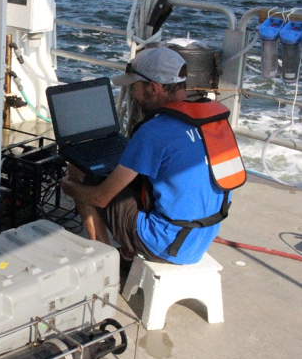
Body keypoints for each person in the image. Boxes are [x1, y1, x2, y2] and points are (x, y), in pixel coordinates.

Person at [62, 47, 244, 269]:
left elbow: (101, 198)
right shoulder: (212, 121)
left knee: (83, 176)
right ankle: (127, 252)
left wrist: (68, 188)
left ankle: (103, 266)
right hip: (200, 238)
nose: (133, 95)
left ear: (153, 88)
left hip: (164, 245)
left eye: (134, 88)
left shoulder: (154, 131)